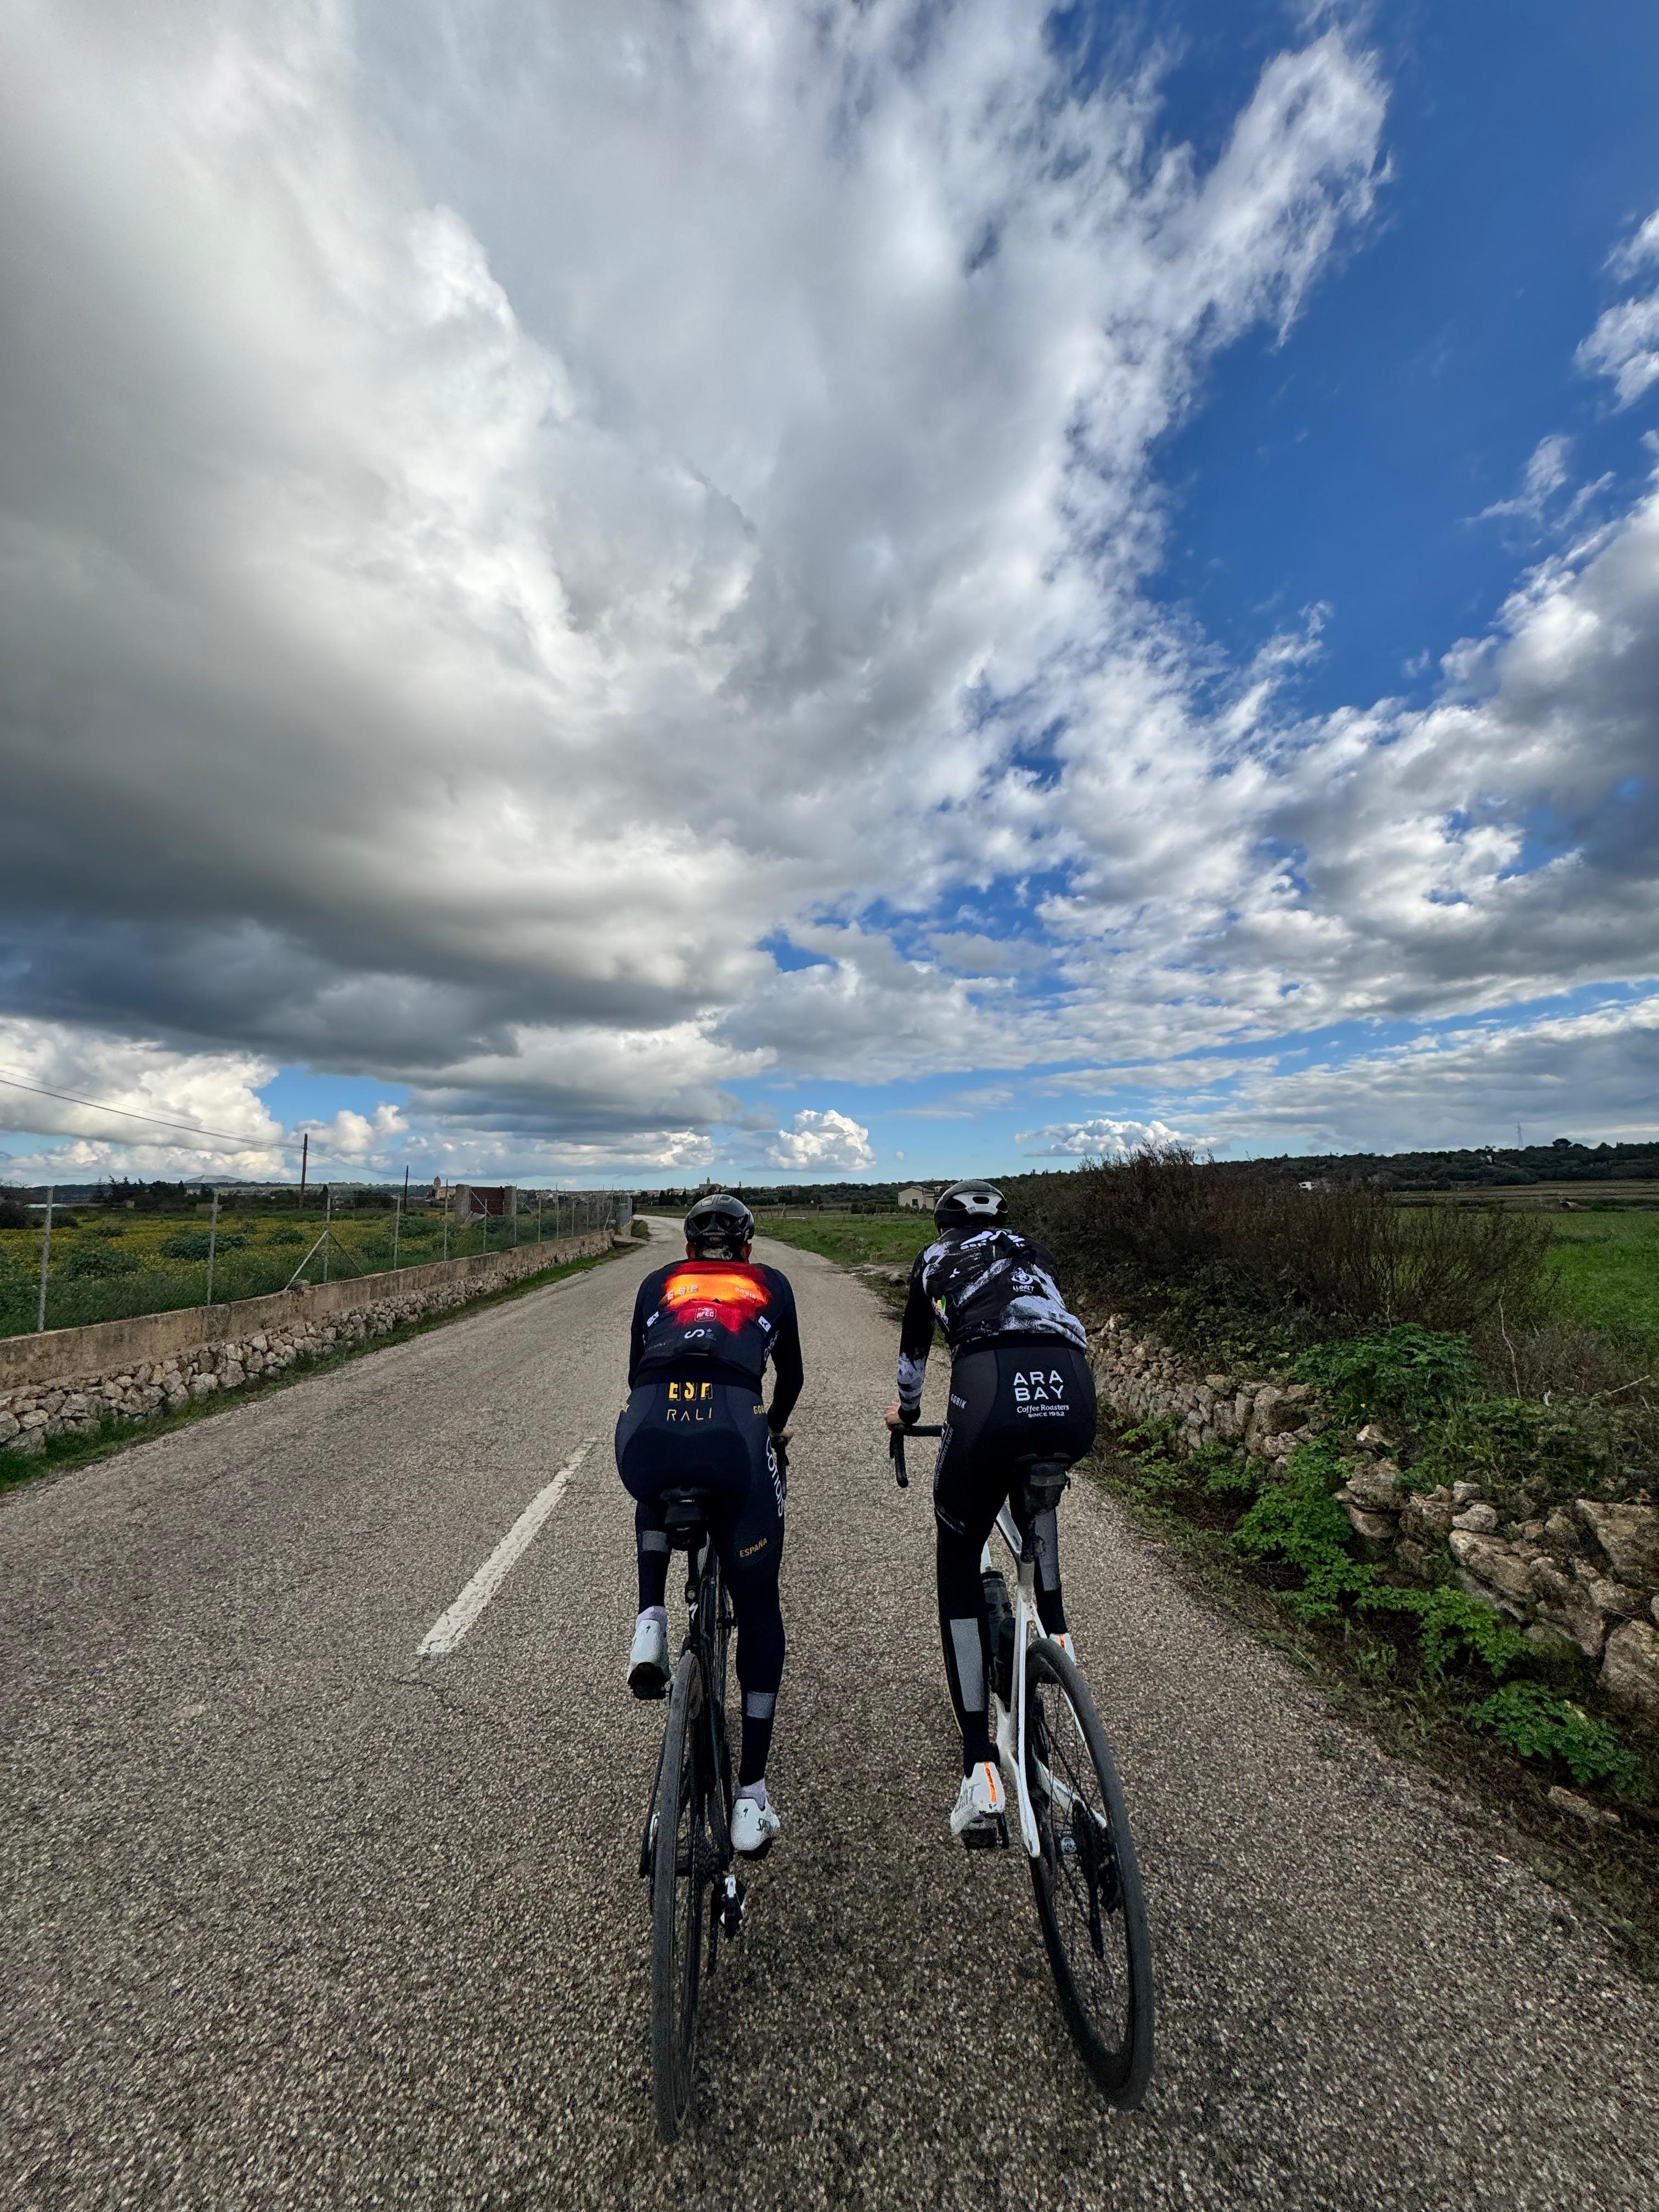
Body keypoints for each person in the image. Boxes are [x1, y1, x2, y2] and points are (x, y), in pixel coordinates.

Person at [885, 1181, 1096, 1846]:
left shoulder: (933, 1261)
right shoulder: (1036, 1251)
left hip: (992, 1385)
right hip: (1072, 1383)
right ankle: (1056, 1633)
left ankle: (979, 1762)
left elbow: (915, 1355)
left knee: (956, 1556)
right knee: (1039, 1479)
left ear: (941, 1224)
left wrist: (909, 1413)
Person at [617, 1192, 803, 1856]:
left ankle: (649, 1623)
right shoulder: (769, 1283)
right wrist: (772, 1433)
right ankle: (750, 1796)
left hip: (645, 1428)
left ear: (690, 1249)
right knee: (757, 1606)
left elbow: (638, 1372)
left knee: (659, 1463)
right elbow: (793, 1379)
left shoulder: (657, 1283)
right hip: (735, 1435)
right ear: (746, 1249)